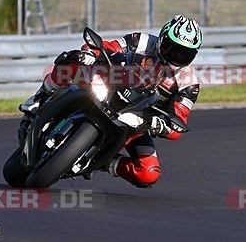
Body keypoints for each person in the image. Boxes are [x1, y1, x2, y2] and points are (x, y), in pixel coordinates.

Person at [17, 15, 202, 188]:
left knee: (149, 173)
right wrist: (91, 53)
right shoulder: (142, 41)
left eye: (184, 54)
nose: (176, 56)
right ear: (162, 39)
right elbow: (109, 46)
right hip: (109, 86)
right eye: (172, 48)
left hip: (136, 119)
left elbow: (180, 121)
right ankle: (40, 97)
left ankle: (105, 162)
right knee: (72, 60)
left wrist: (159, 125)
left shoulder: (189, 82)